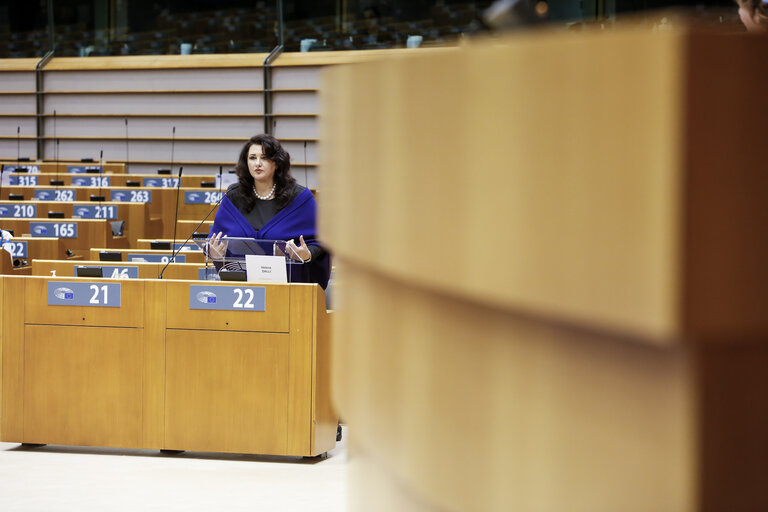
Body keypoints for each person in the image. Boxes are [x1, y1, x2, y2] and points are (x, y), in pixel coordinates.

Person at [208, 134, 330, 289]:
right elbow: (218, 241)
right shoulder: (233, 197)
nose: (257, 163)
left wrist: (307, 255)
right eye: (252, 158)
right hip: (242, 288)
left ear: (277, 163)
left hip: (289, 289)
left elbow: (323, 239)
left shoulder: (299, 198)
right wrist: (217, 255)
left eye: (264, 158)